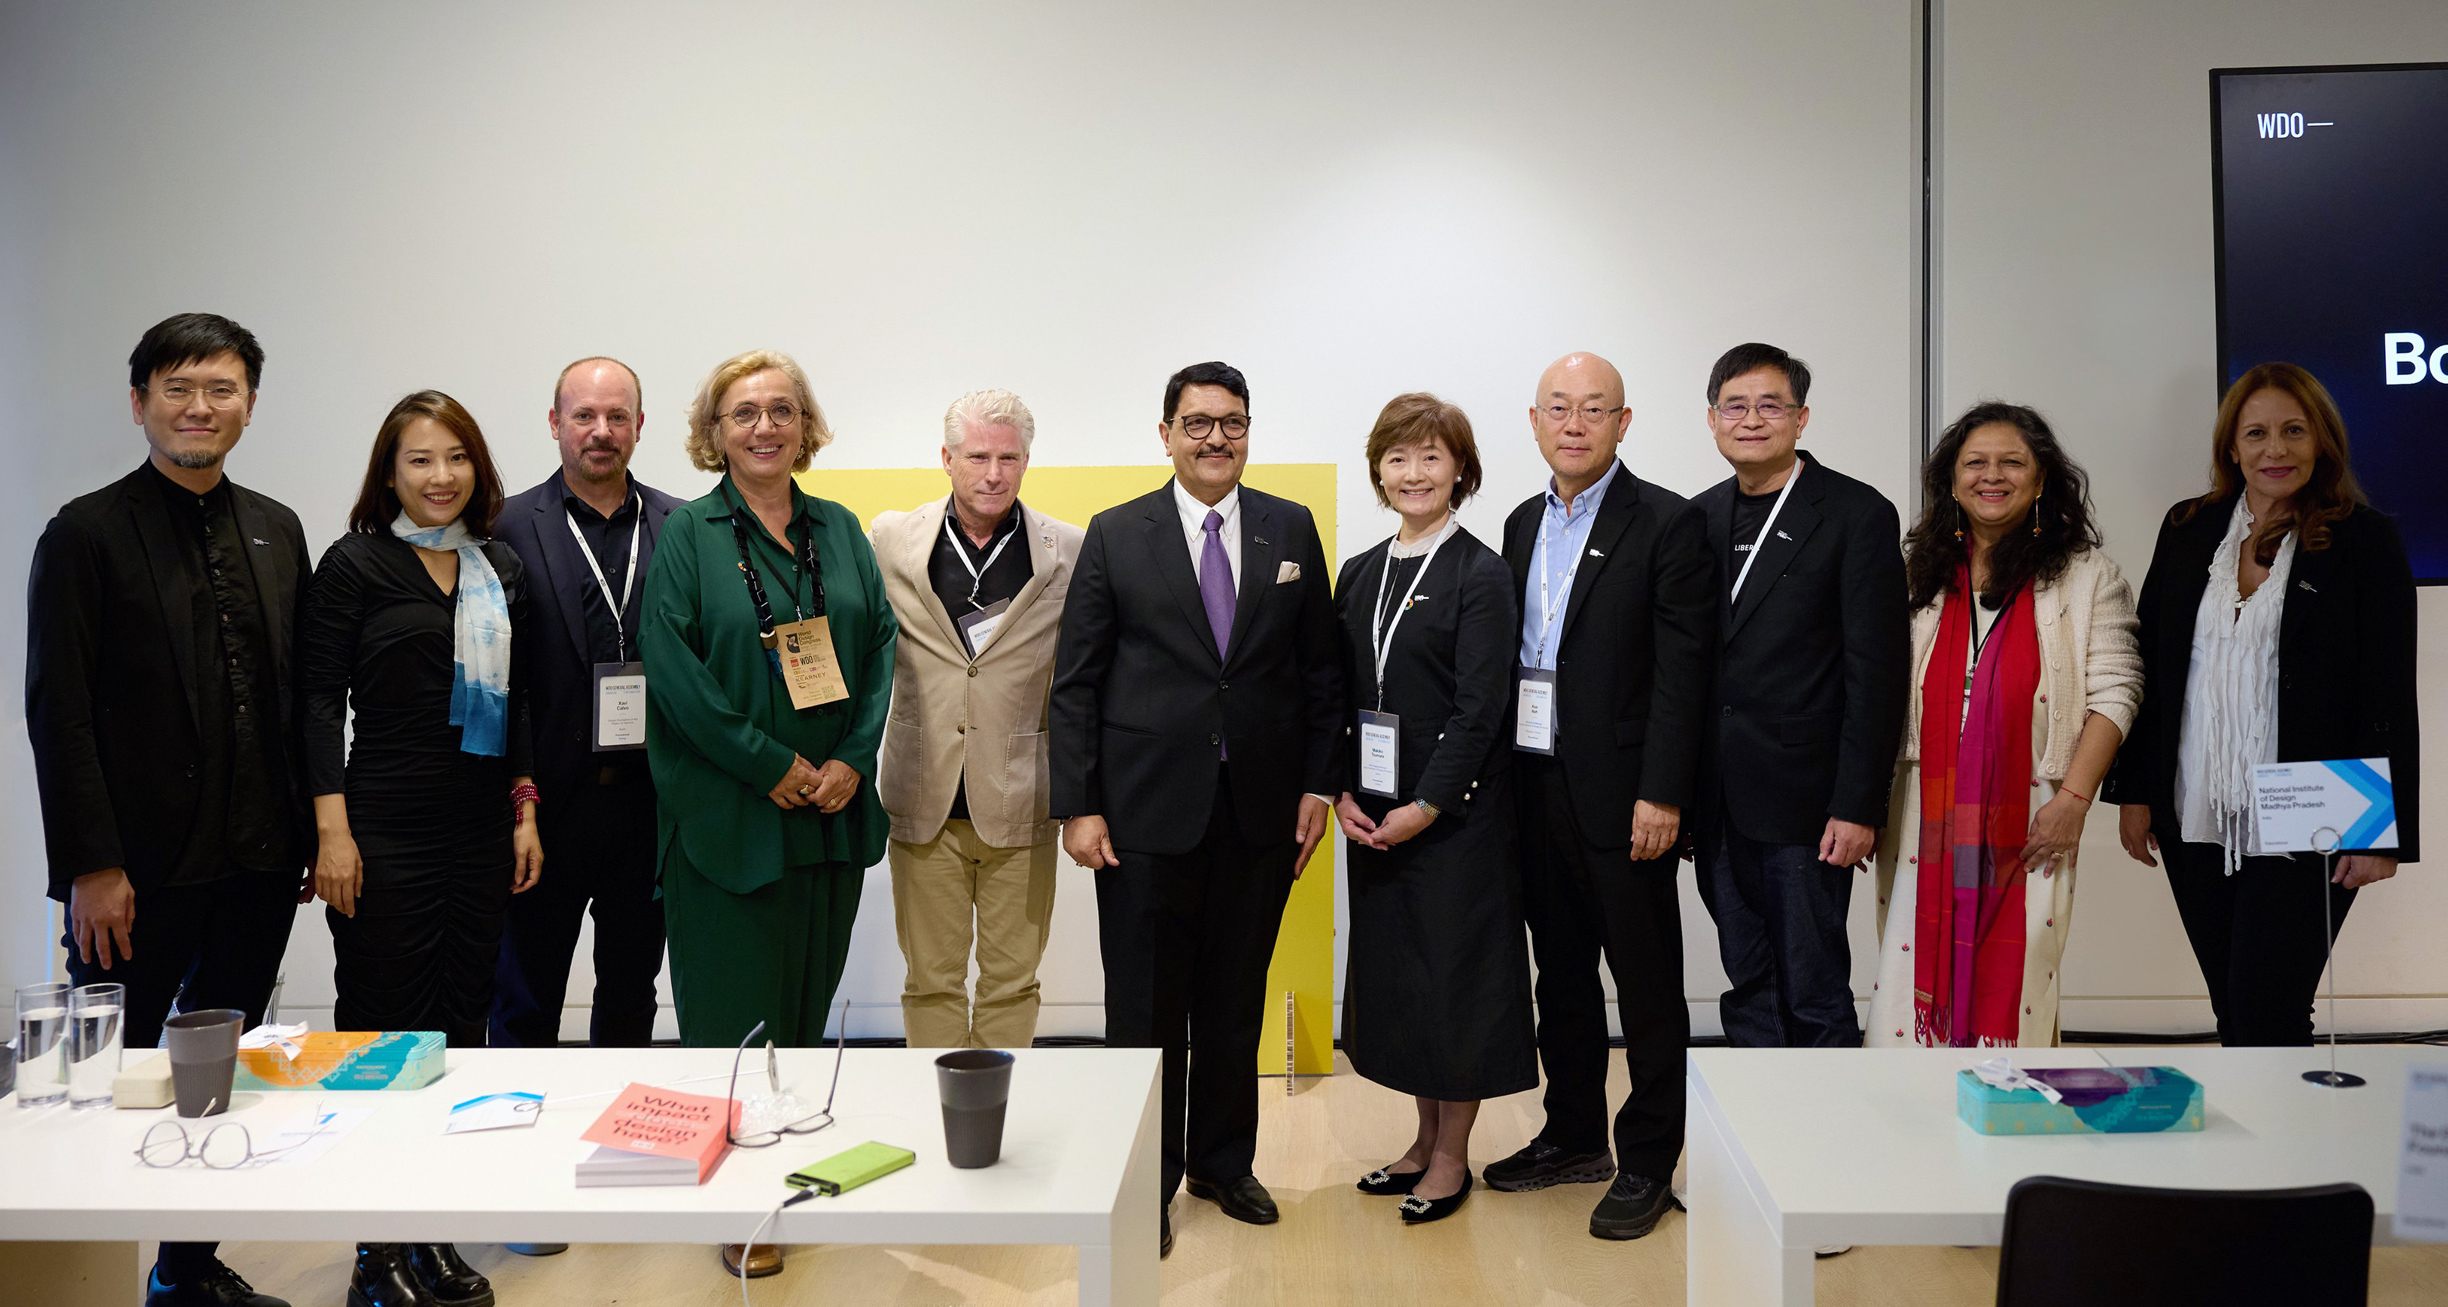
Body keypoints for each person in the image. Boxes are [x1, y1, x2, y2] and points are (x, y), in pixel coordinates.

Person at [27, 313, 307, 1307]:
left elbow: (296, 695)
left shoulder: (278, 527)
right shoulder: (86, 532)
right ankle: (72, 1278)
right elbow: (58, 708)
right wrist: (91, 865)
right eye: (178, 388)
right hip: (133, 874)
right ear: (140, 401)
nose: (200, 407)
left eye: (220, 389)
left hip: (257, 861)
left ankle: (186, 1268)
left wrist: (308, 833)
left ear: (249, 405)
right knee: (101, 1079)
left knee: (214, 1078)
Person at [1050, 360, 1341, 1259]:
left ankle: (1222, 1162)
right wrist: (1078, 806)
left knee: (1232, 1000)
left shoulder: (1291, 527)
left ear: (1248, 430)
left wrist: (1318, 784)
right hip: (1142, 817)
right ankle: (1145, 1181)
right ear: (1167, 433)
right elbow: (1077, 681)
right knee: (1143, 1012)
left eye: (1233, 422)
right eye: (1198, 422)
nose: (1217, 438)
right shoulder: (1116, 533)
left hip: (1259, 813)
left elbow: (1322, 673)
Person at [639, 349, 896, 1280]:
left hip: (827, 814)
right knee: (736, 1025)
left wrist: (851, 758)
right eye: (743, 412)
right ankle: (740, 1207)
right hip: (731, 818)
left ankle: (782, 1174)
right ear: (714, 431)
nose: (764, 426)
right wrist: (769, 762)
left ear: (805, 425)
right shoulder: (688, 534)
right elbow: (674, 672)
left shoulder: (840, 527)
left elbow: (878, 646)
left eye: (782, 409)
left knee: (800, 1012)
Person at [304, 389, 539, 1307]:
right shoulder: (355, 563)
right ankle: (376, 1252)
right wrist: (331, 831)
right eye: (420, 459)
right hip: (383, 829)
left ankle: (432, 1233)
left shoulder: (497, 563)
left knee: (460, 1030)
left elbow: (518, 701)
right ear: (389, 472)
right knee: (382, 1033)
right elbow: (317, 702)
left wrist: (524, 808)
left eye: (457, 456)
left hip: (477, 832)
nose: (441, 476)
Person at [2107, 362, 2419, 1046]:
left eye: (2293, 431)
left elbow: (2389, 692)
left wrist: (2381, 832)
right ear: (2231, 446)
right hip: (2196, 805)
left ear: (2322, 441)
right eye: (2256, 433)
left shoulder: (2364, 540)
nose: (2275, 449)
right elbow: (2152, 663)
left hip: (2314, 810)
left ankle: (2285, 1119)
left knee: (2266, 1014)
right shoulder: (2188, 527)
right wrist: (2135, 792)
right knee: (2235, 1010)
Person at [1483, 353, 1714, 1243]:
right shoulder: (1518, 522)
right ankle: (1575, 1134)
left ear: (1624, 422)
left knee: (1647, 983)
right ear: (1534, 421)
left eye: (1594, 409)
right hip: (1533, 783)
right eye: (1559, 408)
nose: (1574, 424)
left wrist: (1664, 793)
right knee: (1563, 975)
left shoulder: (1666, 521)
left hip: (1626, 797)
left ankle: (1648, 1158)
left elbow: (1683, 673)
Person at [1867, 403, 2139, 1048]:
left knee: (2022, 976)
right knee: (1907, 965)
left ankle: (2010, 1095)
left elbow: (2117, 692)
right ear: (1951, 480)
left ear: (2041, 479)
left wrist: (2074, 801)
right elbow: (1873, 686)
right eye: (1976, 463)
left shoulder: (2086, 576)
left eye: (2012, 462)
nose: (1993, 476)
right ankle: (1916, 1100)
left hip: (2037, 806)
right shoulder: (1914, 572)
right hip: (1920, 806)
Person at [1333, 393, 1534, 1226]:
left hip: (1455, 822)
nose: (1413, 473)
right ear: (1379, 471)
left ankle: (1453, 1157)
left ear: (1460, 470)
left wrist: (1427, 803)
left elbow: (1481, 711)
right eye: (1398, 457)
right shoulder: (1361, 571)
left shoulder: (1481, 573)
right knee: (1408, 985)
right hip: (1377, 815)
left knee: (1456, 986)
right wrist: (1342, 788)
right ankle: (1421, 1140)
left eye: (1431, 457)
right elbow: (1341, 693)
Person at [1690, 342, 1908, 1053]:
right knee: (1747, 983)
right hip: (1718, 803)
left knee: (1813, 989)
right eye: (1735, 406)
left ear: (1801, 418)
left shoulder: (1855, 513)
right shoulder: (1697, 518)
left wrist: (1858, 803)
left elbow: (1877, 672)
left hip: (1808, 804)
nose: (1751, 420)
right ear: (1713, 419)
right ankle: (1756, 1118)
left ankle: (1831, 1124)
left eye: (1770, 405)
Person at [870, 390, 1082, 1049]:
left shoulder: (1068, 550)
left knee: (1011, 982)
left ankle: (997, 1108)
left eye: (1008, 458)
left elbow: (1082, 680)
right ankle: (939, 1107)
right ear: (947, 458)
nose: (994, 473)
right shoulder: (890, 540)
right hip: (923, 793)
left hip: (1022, 796)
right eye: (978, 457)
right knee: (930, 981)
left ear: (1026, 461)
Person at [488, 358, 685, 1057]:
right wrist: (517, 802)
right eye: (584, 416)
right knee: (525, 995)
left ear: (639, 425)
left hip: (649, 804)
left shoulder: (681, 526)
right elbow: (497, 679)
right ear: (555, 423)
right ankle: (518, 1119)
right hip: (547, 807)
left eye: (617, 416)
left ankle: (622, 1114)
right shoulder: (505, 525)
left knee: (633, 992)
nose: (601, 431)